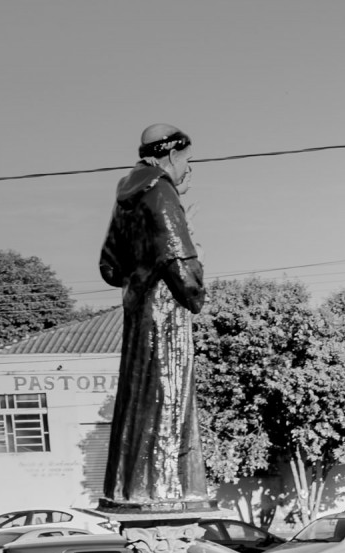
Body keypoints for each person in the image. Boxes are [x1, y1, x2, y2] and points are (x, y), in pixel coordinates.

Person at [100, 124, 206, 505]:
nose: (187, 170)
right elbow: (180, 259)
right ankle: (164, 487)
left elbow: (109, 267)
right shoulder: (161, 191)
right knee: (168, 396)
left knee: (139, 398)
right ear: (173, 156)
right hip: (166, 314)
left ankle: (133, 484)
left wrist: (137, 272)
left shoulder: (126, 196)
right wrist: (196, 292)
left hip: (137, 310)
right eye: (187, 161)